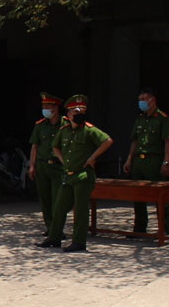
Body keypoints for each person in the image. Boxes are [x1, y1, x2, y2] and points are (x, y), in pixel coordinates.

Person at [37, 95, 113, 252]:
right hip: (68, 175)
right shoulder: (64, 130)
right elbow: (55, 146)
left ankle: (79, 241)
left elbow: (107, 141)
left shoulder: (89, 130)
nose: (79, 113)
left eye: (82, 110)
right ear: (69, 113)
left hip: (82, 176)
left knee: (80, 210)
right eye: (76, 111)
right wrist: (63, 160)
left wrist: (92, 158)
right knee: (59, 207)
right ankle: (54, 237)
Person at [123, 87, 169, 235]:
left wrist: (166, 162)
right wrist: (129, 160)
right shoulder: (140, 119)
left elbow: (168, 142)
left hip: (154, 159)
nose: (141, 103)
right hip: (139, 161)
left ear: (152, 100)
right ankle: (139, 227)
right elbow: (135, 141)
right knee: (137, 195)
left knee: (160, 195)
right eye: (140, 100)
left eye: (144, 100)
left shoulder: (163, 119)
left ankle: (165, 228)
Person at [28, 92, 65, 236]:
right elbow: (34, 146)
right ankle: (50, 227)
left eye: (47, 106)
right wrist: (32, 165)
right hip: (42, 166)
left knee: (58, 199)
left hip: (58, 166)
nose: (44, 109)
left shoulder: (65, 125)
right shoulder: (40, 125)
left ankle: (57, 229)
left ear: (55, 108)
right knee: (45, 199)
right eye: (43, 106)